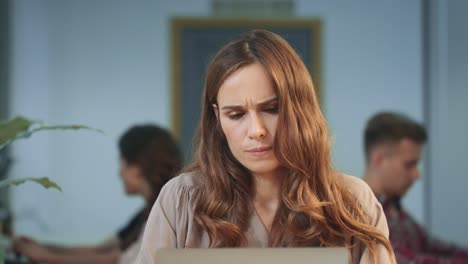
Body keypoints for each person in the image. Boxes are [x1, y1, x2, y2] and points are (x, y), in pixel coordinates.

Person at [136, 29, 395, 264]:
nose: (257, 130)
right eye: (236, 115)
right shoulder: (180, 200)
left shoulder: (353, 203)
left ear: (299, 110)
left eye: (272, 109)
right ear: (217, 117)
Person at [13, 124, 182, 264]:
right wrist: (44, 248)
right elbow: (100, 249)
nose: (119, 173)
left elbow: (119, 260)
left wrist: (44, 256)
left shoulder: (163, 214)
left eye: (121, 163)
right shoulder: (145, 214)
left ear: (137, 168)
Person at [363, 112, 468, 263]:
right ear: (379, 158)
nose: (417, 175)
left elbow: (435, 247)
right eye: (409, 164)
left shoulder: (397, 213)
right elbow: (397, 259)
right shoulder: (361, 215)